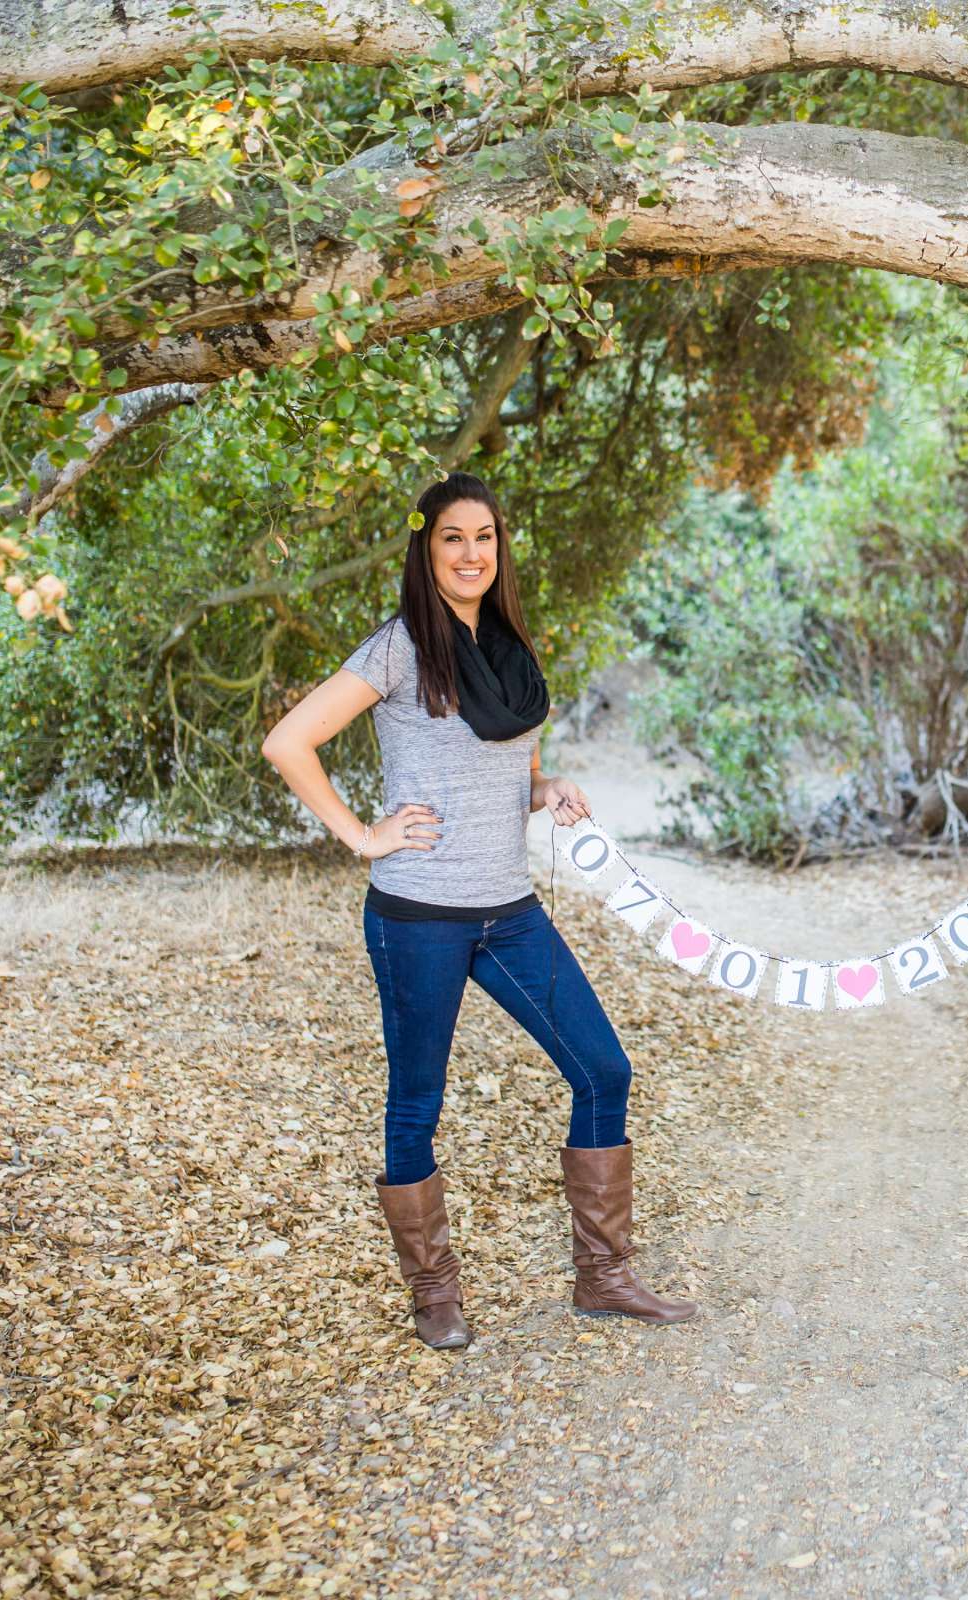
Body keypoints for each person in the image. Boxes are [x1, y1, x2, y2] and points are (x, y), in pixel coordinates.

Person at [261, 471, 695, 1349]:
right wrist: (361, 835)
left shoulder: (508, 649)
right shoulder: (397, 648)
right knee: (417, 1103)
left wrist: (547, 787)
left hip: (510, 913)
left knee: (603, 1071)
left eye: (485, 537)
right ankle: (435, 1295)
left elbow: (500, 769)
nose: (471, 554)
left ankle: (604, 1278)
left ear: (501, 548)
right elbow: (288, 741)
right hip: (418, 914)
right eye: (453, 538)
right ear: (428, 550)